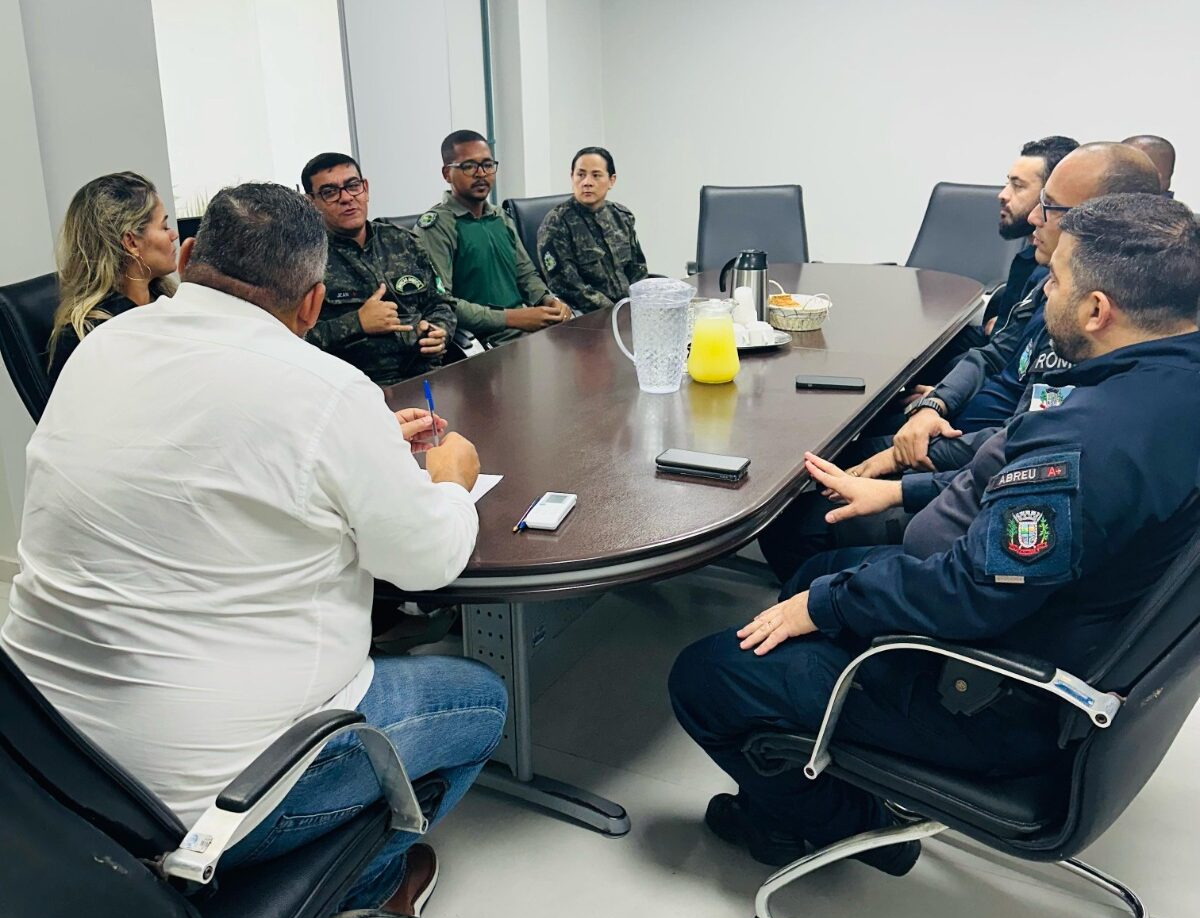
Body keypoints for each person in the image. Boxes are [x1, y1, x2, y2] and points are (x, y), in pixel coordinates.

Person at [1, 182, 507, 918]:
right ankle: (366, 892)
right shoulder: (325, 389)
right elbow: (427, 562)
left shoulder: (100, 348)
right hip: (207, 811)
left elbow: (213, 449)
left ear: (191, 255)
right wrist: (451, 480)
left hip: (46, 777)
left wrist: (361, 440)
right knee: (480, 701)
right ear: (313, 304)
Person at [671, 192, 1200, 877]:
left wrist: (828, 605)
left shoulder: (1092, 435)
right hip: (1061, 639)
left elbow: (970, 593)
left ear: (1098, 310)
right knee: (812, 573)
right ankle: (807, 781)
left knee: (706, 674)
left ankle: (854, 826)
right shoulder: (1164, 388)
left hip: (990, 693)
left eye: (1057, 280)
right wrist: (857, 555)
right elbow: (1011, 498)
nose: (1043, 292)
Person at [757, 143, 1162, 585]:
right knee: (829, 460)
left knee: (801, 522)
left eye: (1048, 205)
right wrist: (937, 404)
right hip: (961, 459)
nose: (1033, 217)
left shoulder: (1090, 332)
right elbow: (995, 355)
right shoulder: (1051, 279)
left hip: (965, 484)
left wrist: (897, 483)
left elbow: (1020, 449)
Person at [303, 152, 457, 385]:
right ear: (311, 202)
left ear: (365, 188)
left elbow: (441, 303)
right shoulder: (304, 261)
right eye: (330, 192)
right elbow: (294, 340)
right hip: (359, 387)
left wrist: (439, 330)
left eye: (353, 186)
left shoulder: (404, 241)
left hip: (427, 375)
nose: (346, 198)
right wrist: (357, 323)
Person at [415, 129, 571, 346]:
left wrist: (548, 300)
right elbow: (441, 303)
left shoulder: (500, 217)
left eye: (487, 165)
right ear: (447, 173)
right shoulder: (437, 227)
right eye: (469, 166)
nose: (481, 174)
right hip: (484, 343)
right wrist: (511, 318)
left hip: (528, 333)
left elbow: (525, 274)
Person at [47, 171, 178, 387]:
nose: (173, 235)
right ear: (132, 243)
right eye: (164, 227)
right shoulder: (90, 340)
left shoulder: (163, 299)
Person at [983, 136, 1079, 336]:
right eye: (1007, 183)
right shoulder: (1028, 258)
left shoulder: (1056, 274)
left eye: (1018, 186)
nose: (1002, 195)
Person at [535, 147, 649, 314]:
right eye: (580, 175)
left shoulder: (621, 216)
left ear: (611, 180)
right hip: (588, 316)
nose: (587, 182)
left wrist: (641, 304)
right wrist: (616, 311)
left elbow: (638, 270)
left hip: (629, 310)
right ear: (572, 177)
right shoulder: (556, 223)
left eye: (596, 175)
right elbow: (568, 286)